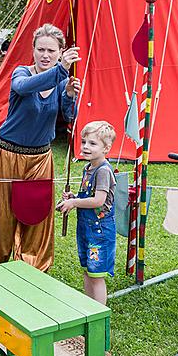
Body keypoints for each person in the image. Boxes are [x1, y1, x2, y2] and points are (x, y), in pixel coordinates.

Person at [0, 23, 81, 272]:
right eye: (41, 49)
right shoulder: (21, 73)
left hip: (40, 158)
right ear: (33, 50)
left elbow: (68, 116)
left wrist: (68, 95)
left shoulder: (59, 80)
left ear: (60, 52)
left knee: (37, 213)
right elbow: (23, 88)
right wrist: (60, 70)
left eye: (51, 51)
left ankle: (32, 264)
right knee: (1, 212)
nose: (45, 55)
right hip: (8, 154)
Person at [57, 121, 117, 304]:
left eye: (92, 143)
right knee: (87, 270)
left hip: (100, 232)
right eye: (84, 142)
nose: (85, 147)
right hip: (85, 229)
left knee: (97, 275)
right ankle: (88, 310)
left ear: (106, 148)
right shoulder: (88, 168)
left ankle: (98, 317)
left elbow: (99, 201)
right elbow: (89, 197)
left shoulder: (103, 171)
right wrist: (73, 196)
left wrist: (74, 202)